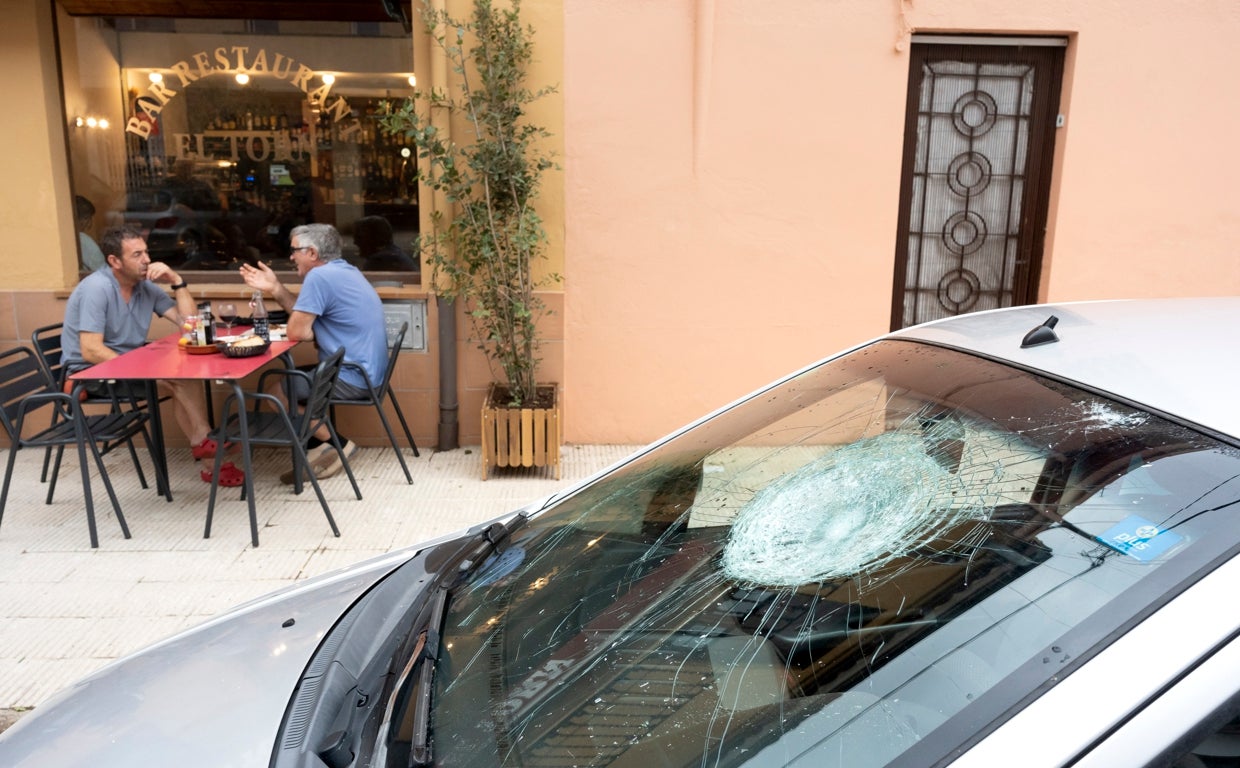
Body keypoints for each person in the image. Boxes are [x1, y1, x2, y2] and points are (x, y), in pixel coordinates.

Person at [62, 224, 240, 485]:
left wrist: (177, 282)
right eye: (136, 255)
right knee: (175, 379)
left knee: (185, 375)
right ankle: (207, 446)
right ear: (114, 261)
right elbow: (90, 350)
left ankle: (206, 449)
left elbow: (188, 323)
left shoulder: (144, 286)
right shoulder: (97, 288)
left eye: (146, 252)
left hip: (127, 366)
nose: (147, 260)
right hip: (91, 375)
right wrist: (140, 367)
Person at [239, 223, 388, 481]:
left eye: (295, 250)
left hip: (351, 377)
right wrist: (275, 288)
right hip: (365, 372)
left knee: (276, 392)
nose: (291, 256)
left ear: (312, 253)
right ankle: (318, 451)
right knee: (290, 384)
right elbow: (304, 322)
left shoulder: (319, 277)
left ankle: (337, 445)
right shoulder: (344, 271)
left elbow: (297, 332)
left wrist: (306, 328)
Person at [353, 214, 418, 272]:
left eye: (359, 237)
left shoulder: (380, 260)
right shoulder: (393, 253)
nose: (355, 242)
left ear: (374, 238)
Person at [75, 195, 106, 272]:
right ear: (85, 219)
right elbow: (102, 269)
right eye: (88, 218)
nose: (89, 223)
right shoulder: (82, 240)